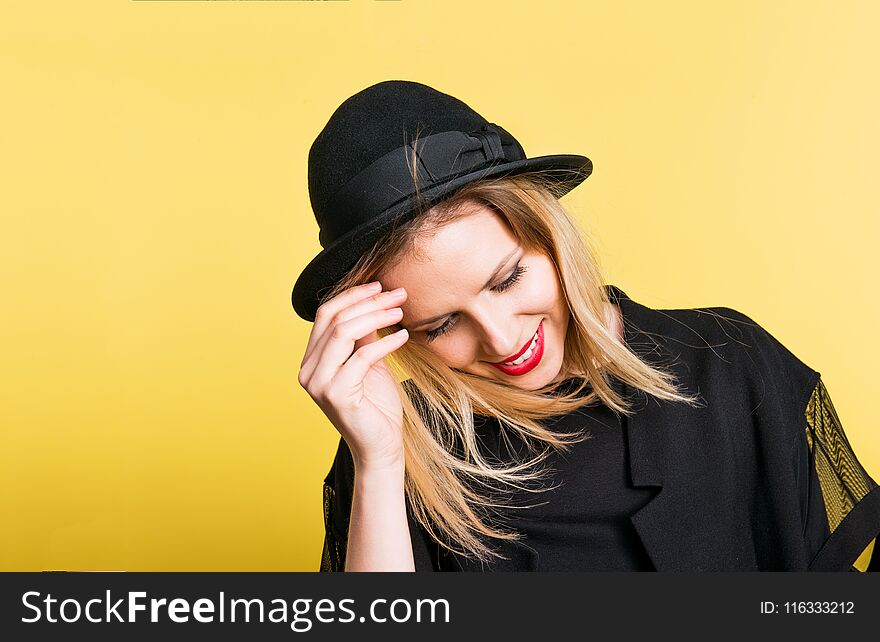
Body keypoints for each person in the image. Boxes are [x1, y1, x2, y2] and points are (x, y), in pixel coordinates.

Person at [292, 80, 880, 572]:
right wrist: (377, 464)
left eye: (506, 281)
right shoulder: (397, 450)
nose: (501, 340)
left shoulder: (730, 361)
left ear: (550, 237)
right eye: (442, 324)